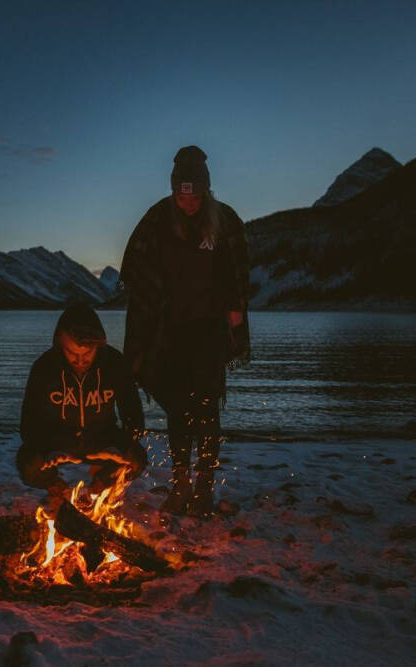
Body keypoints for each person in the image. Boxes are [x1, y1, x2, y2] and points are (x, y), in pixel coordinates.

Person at [120, 145, 250, 519]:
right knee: (179, 406)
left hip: (208, 328)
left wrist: (234, 309)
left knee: (206, 407)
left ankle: (205, 485)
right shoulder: (158, 218)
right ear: (174, 190)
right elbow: (135, 266)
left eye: (193, 196)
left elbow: (236, 270)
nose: (187, 203)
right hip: (169, 327)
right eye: (181, 195)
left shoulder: (224, 220)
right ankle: (180, 483)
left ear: (205, 192)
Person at [17, 303, 147, 512]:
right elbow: (28, 424)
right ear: (60, 344)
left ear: (99, 345)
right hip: (58, 440)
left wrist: (118, 447)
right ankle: (58, 489)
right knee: (27, 463)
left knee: (136, 459)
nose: (79, 361)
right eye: (71, 353)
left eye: (87, 354)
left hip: (103, 440)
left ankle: (99, 486)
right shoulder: (44, 367)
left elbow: (134, 418)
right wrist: (50, 449)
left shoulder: (114, 364)